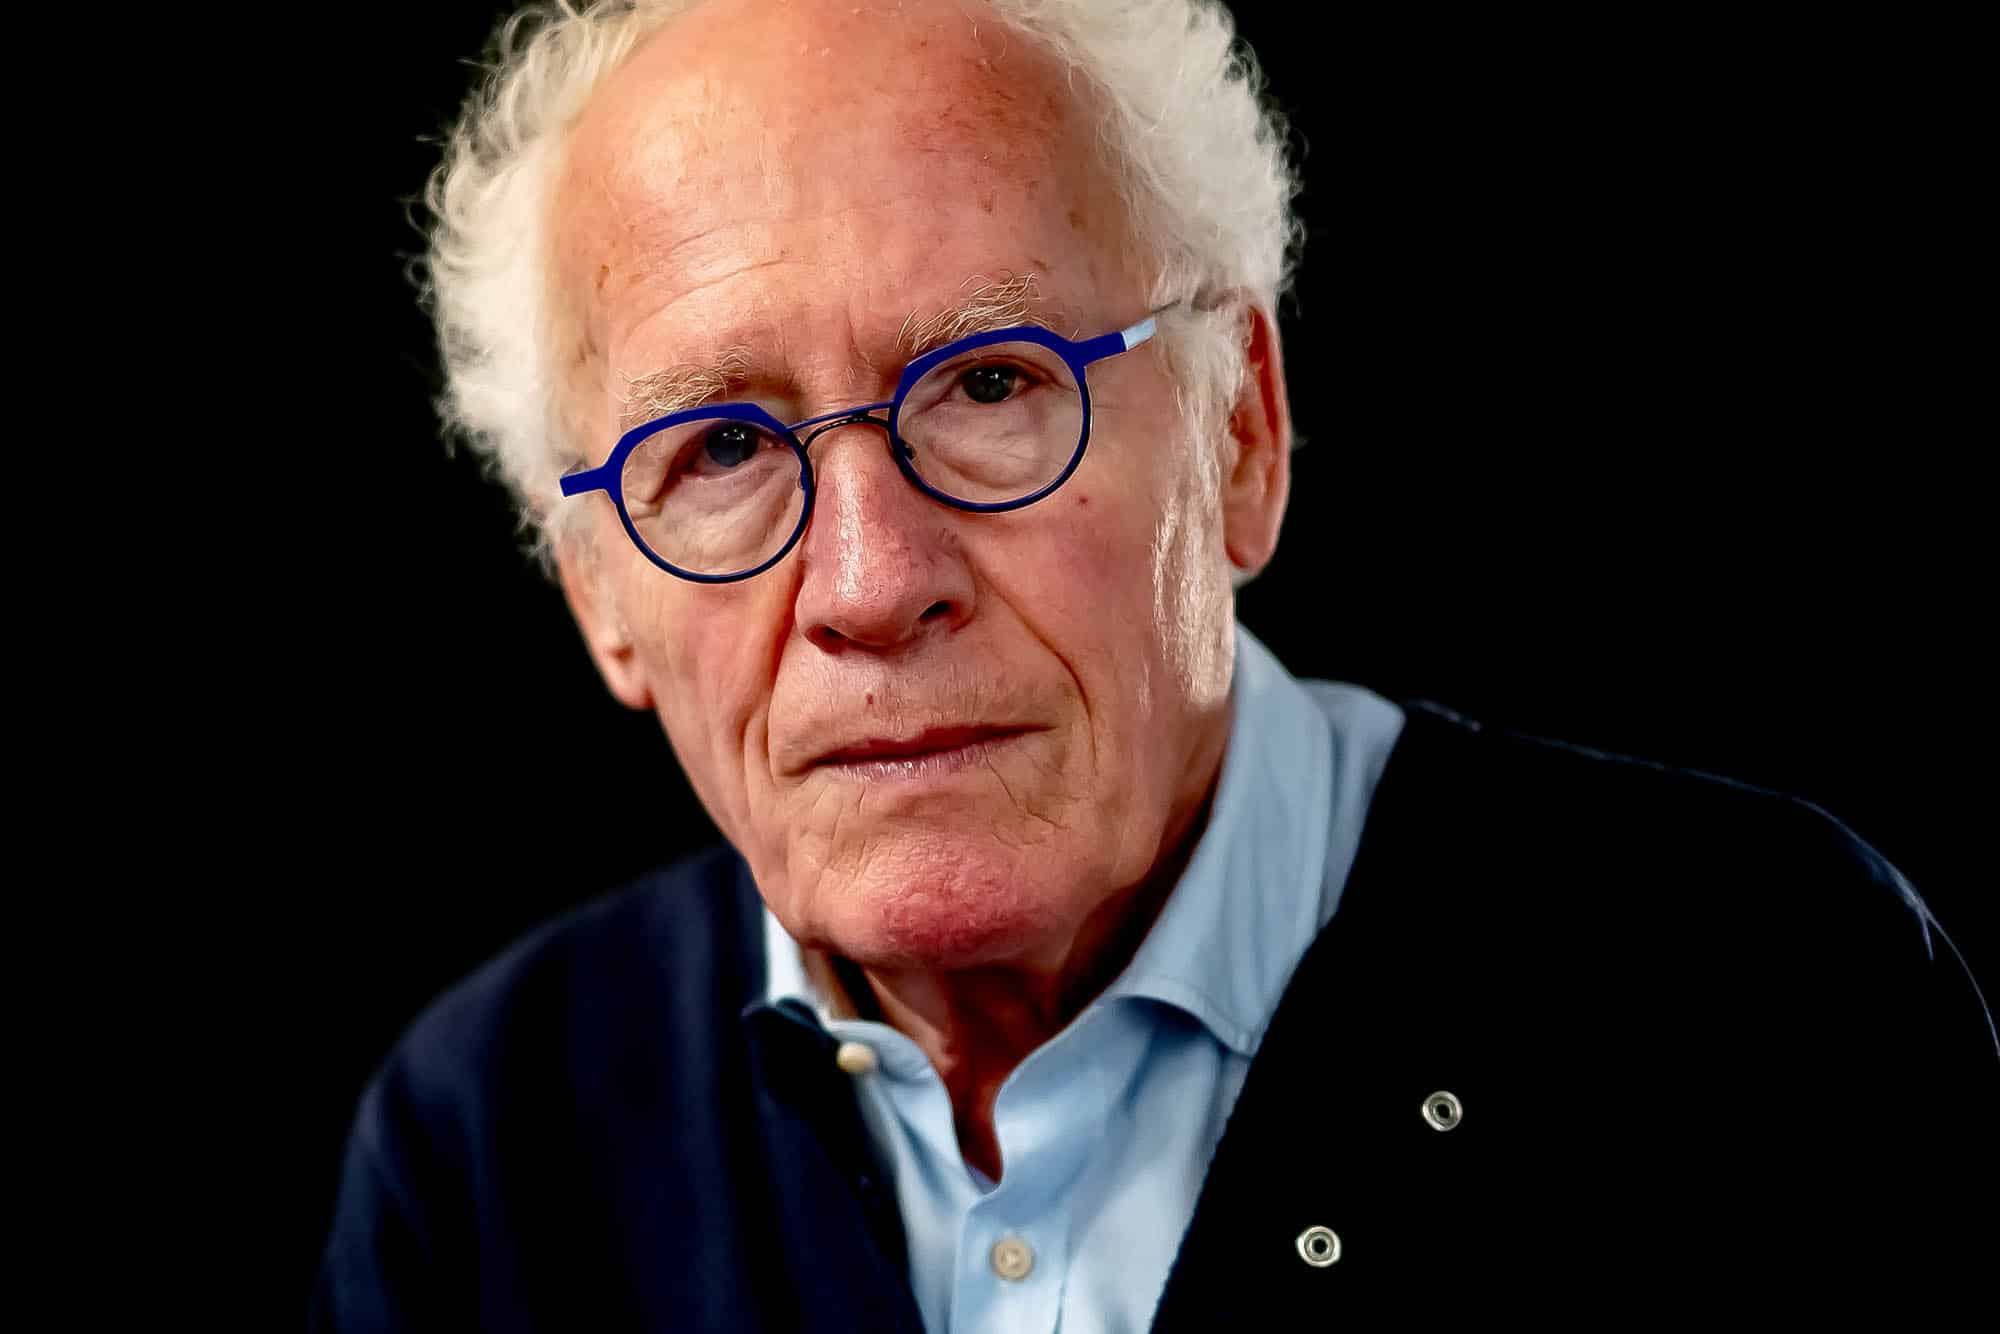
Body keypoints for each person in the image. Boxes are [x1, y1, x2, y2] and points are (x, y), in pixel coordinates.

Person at [313, 0, 1997, 1328]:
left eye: (990, 382)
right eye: (725, 446)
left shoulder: (1768, 1004)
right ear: (598, 588)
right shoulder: (485, 1148)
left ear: (1241, 430)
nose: (873, 583)